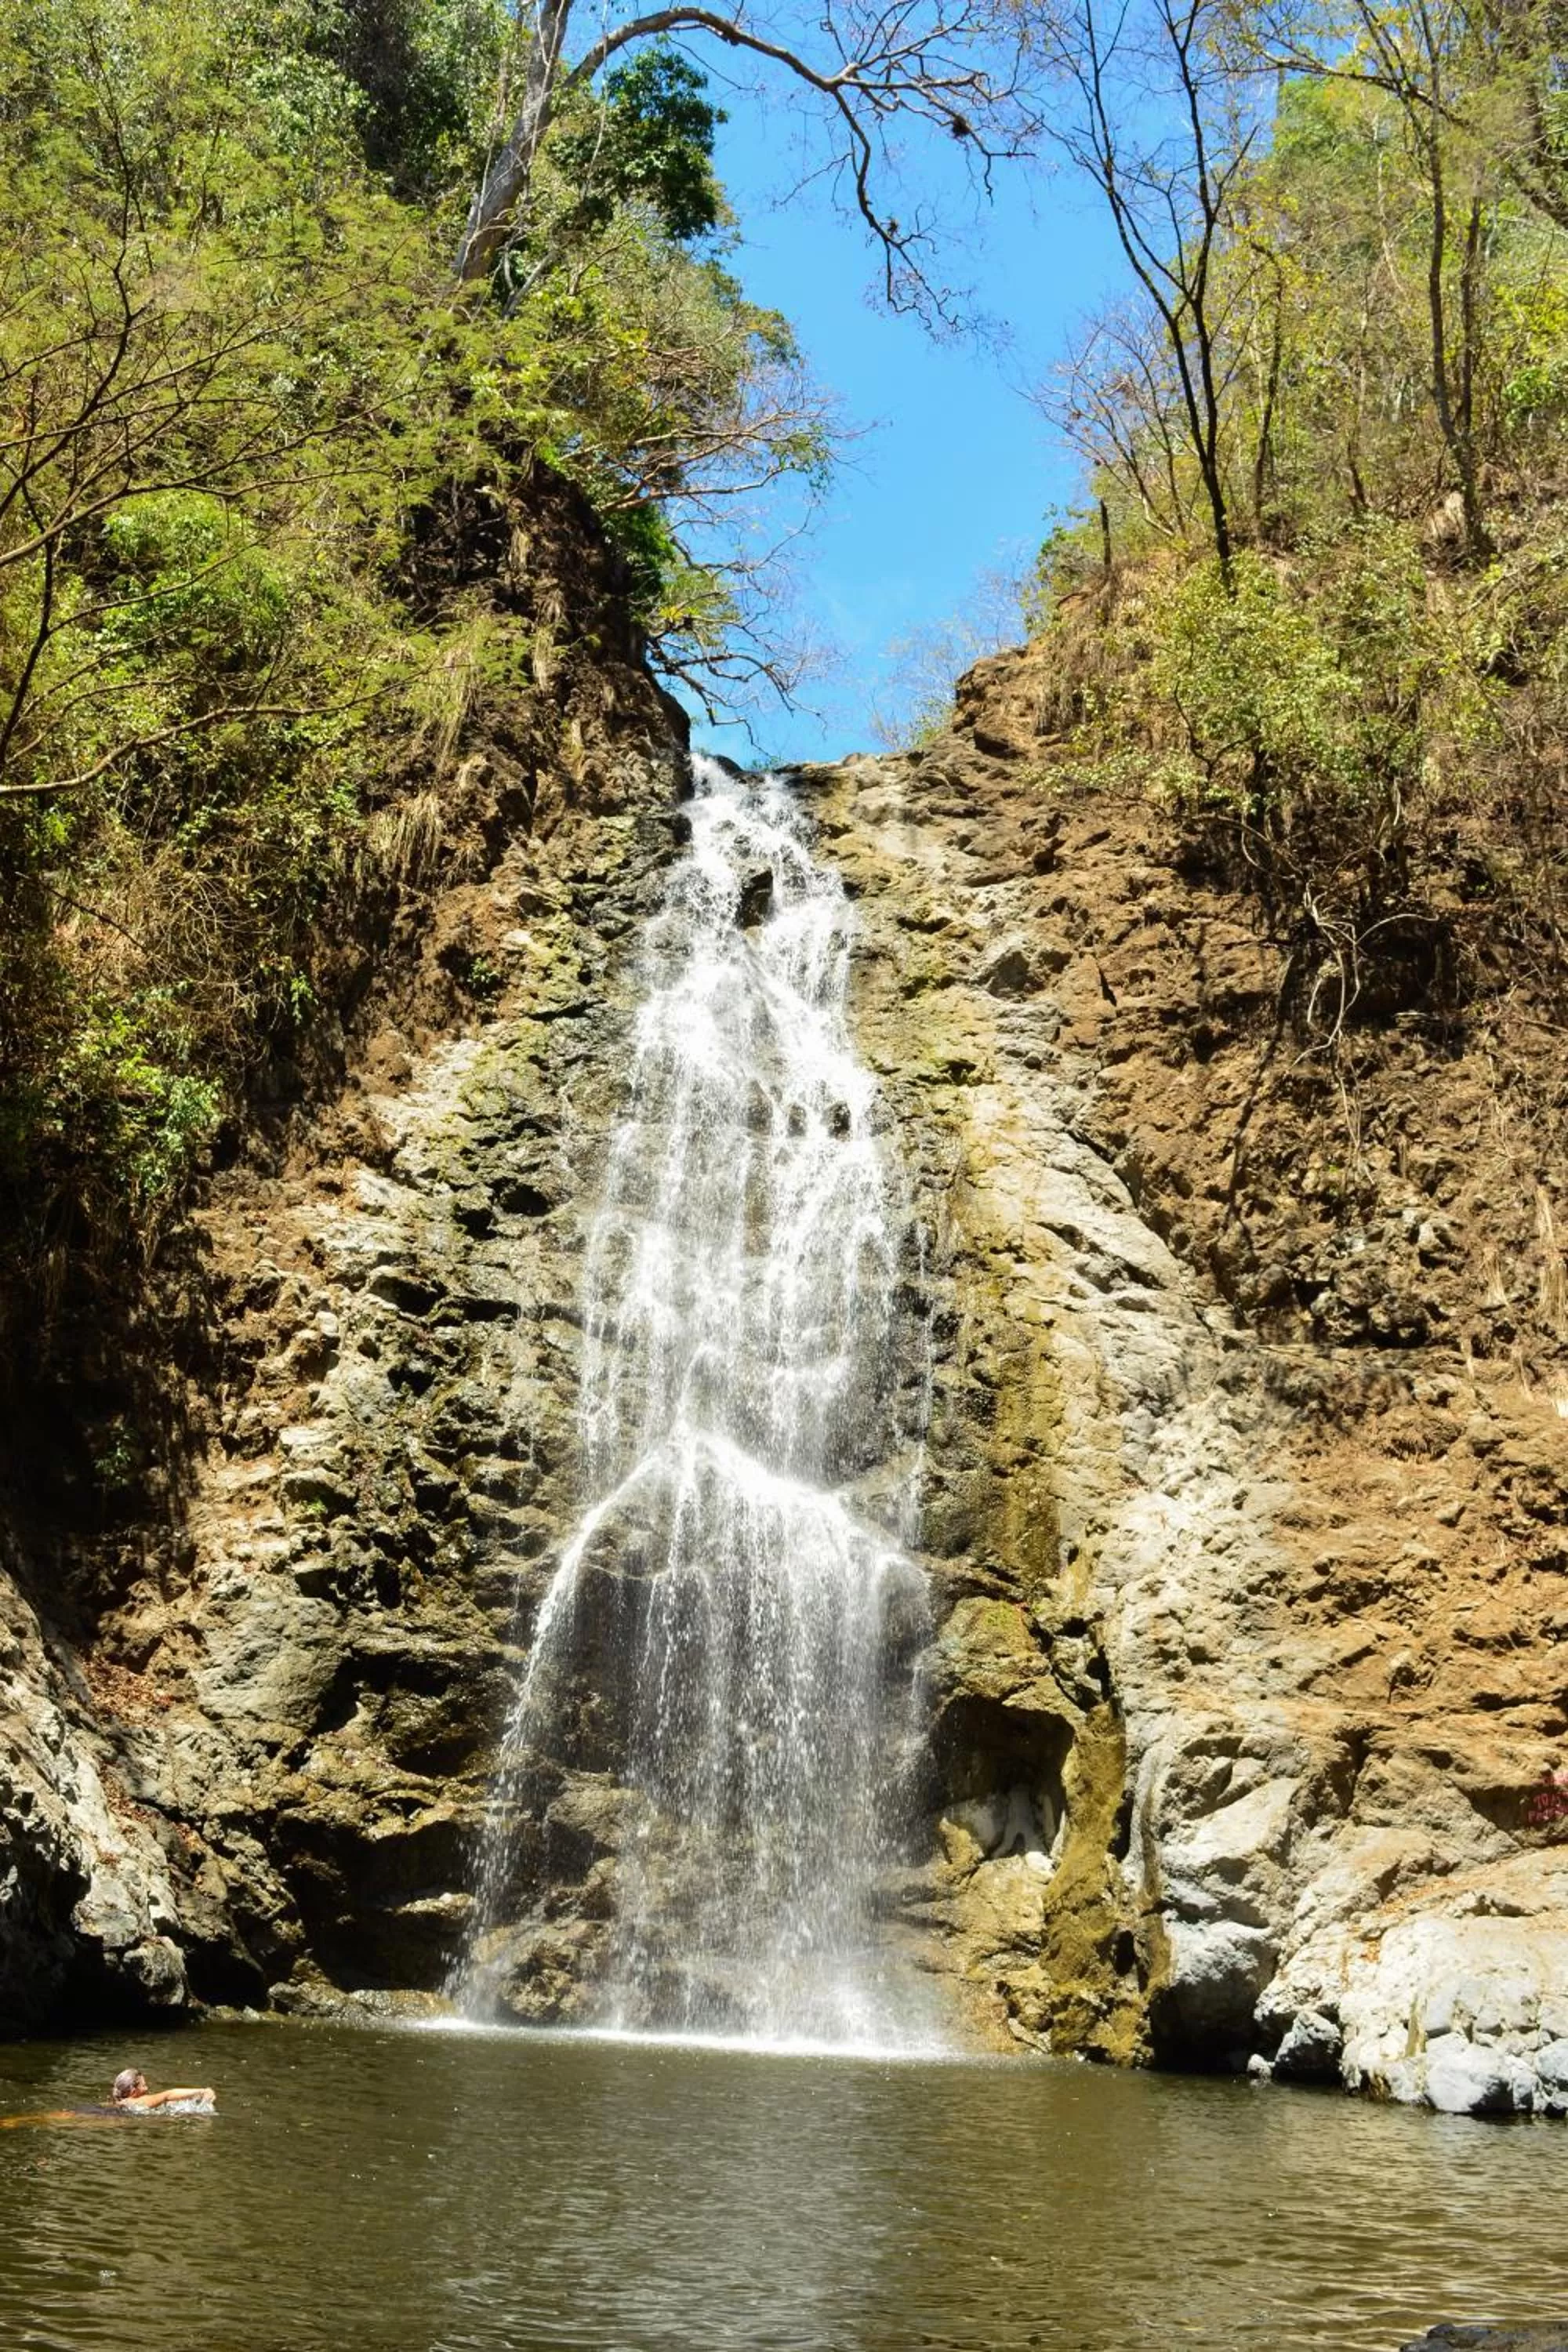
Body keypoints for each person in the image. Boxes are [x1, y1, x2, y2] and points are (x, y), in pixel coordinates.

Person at [111, 2069, 216, 2113]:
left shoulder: (117, 2104)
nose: (147, 2089)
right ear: (134, 2091)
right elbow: (168, 2095)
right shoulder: (137, 2101)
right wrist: (202, 2091)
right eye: (144, 2086)